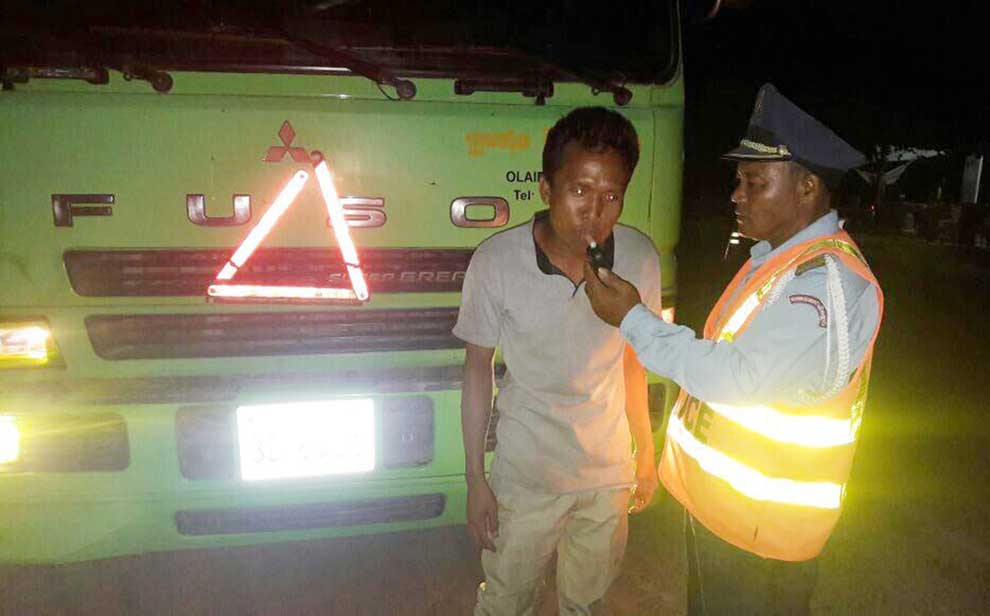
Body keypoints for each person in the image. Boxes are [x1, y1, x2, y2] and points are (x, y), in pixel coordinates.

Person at [583, 83, 884, 615]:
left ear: (808, 187)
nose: (736, 195)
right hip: (728, 516)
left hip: (761, 538)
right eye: (739, 180)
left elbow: (736, 378)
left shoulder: (824, 282)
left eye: (754, 182)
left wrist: (632, 319)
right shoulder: (778, 260)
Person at [453, 107, 663, 615]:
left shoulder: (639, 257)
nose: (595, 212)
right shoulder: (496, 261)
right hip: (527, 475)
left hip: (607, 473)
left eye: (612, 195)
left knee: (586, 603)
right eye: (580, 191)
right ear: (547, 188)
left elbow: (632, 364)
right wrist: (475, 478)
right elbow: (477, 368)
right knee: (507, 601)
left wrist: (646, 453)